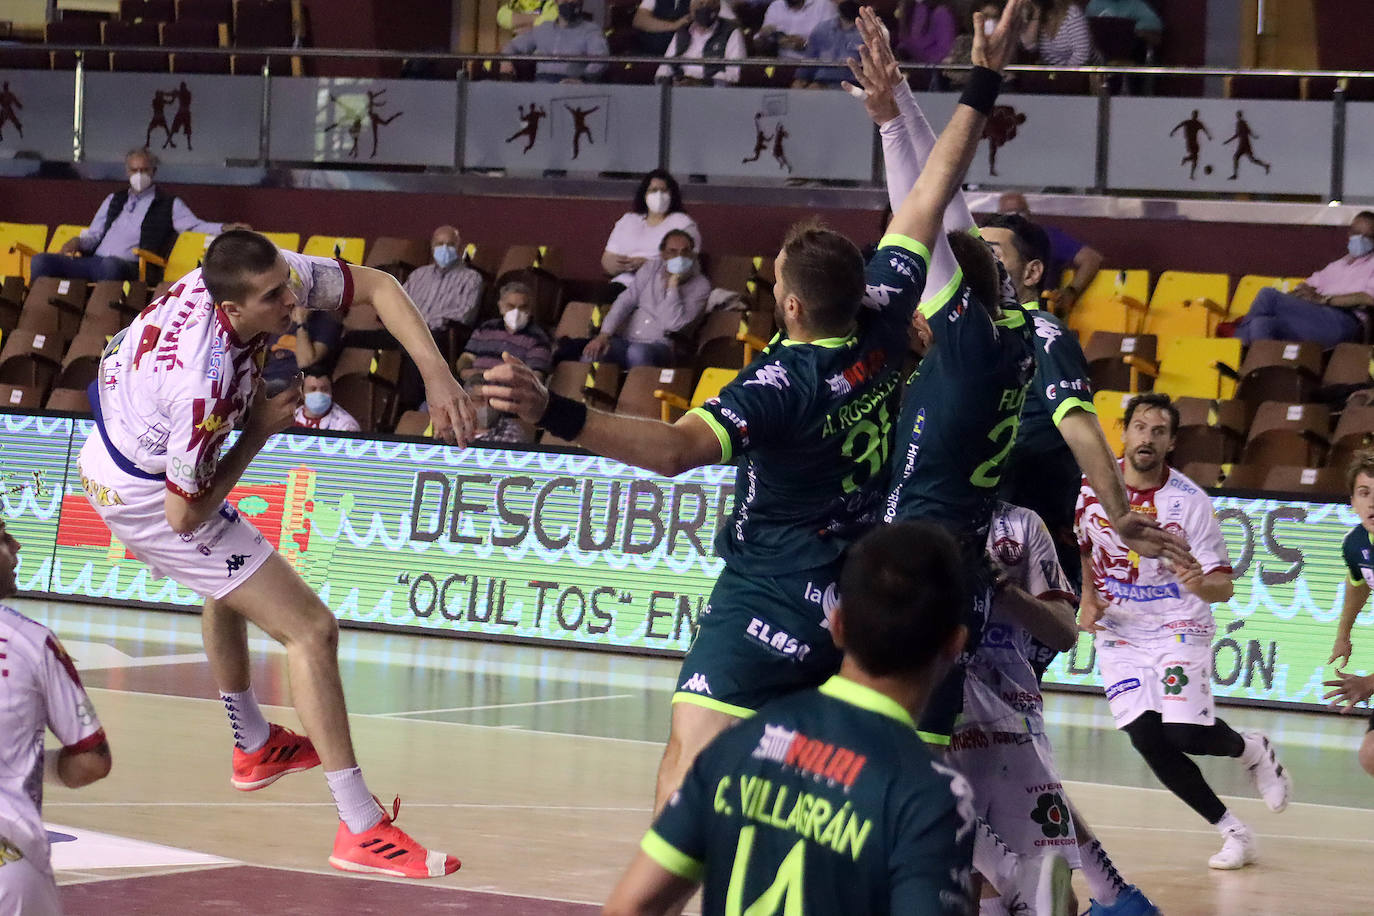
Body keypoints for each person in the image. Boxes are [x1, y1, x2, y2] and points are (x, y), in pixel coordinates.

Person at [484, 0, 1029, 826]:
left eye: (776, 279)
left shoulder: (778, 385)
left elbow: (672, 451)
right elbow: (931, 195)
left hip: (768, 590)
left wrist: (552, 414)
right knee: (849, 786)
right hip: (854, 596)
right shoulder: (886, 312)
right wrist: (976, 83)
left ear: (793, 308)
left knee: (689, 767)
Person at [77, 229, 473, 877]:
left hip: (124, 442)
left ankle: (254, 746)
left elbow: (379, 285)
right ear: (231, 310)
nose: (291, 303)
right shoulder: (202, 388)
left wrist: (437, 374)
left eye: (286, 285)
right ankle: (360, 827)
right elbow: (186, 515)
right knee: (311, 630)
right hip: (147, 493)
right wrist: (257, 432)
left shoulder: (252, 278)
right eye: (273, 298)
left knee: (227, 583)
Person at [603, 522, 989, 916]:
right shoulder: (931, 795)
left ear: (837, 625)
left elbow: (628, 907)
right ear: (955, 645)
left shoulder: (738, 745)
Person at [1076, 393, 1292, 871]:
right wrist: (1088, 597)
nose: (1147, 438)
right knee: (1146, 737)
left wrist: (1202, 584)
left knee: (1182, 731)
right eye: (1139, 427)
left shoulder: (1190, 502)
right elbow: (1085, 545)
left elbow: (1223, 586)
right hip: (1121, 632)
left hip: (1179, 624)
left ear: (1171, 442)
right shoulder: (1094, 486)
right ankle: (1233, 832)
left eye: (1158, 431)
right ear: (1124, 432)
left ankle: (1250, 749)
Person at [951, 502, 1160, 916]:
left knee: (1046, 895)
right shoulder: (900, 502)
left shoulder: (1021, 524)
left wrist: (1000, 586)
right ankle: (1110, 894)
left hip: (1000, 702)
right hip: (957, 703)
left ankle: (1094, 892)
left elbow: (1065, 631)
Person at [0, 517, 112, 916]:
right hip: (8, 864)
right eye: (2, 538)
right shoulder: (30, 641)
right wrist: (30, 764)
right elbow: (91, 762)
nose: (16, 548)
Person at [31, 148, 237, 284]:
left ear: (154, 171)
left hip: (130, 267)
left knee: (110, 265)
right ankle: (36, 319)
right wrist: (77, 241)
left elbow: (194, 226)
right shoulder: (114, 199)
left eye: (144, 170)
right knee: (42, 261)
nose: (139, 175)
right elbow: (94, 234)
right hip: (94, 261)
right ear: (127, 172)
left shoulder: (167, 203)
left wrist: (224, 228)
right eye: (134, 170)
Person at [557, 230, 709, 368]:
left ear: (692, 254)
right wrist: (604, 335)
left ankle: (637, 397)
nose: (679, 257)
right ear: (663, 254)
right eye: (673, 252)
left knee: (637, 352)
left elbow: (674, 324)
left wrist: (673, 287)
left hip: (663, 347)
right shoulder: (652, 268)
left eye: (685, 252)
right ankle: (582, 397)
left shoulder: (701, 285)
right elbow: (626, 300)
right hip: (627, 339)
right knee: (593, 351)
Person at [1235, 212, 1374, 347]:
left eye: (1367, 237)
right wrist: (1302, 292)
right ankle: (1266, 368)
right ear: (1349, 234)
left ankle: (1233, 350)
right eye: (1356, 233)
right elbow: (1308, 285)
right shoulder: (1338, 265)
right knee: (1262, 324)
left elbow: (1368, 298)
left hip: (1344, 320)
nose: (1360, 239)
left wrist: (1324, 299)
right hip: (1313, 317)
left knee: (1268, 295)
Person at [1324, 449, 1374, 779]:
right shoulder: (1355, 543)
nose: (1372, 503)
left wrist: (1371, 682)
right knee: (1371, 755)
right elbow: (1359, 582)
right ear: (1352, 501)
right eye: (1364, 493)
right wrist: (1344, 635)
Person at [456, 281, 552, 444]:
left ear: (530, 310)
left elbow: (534, 380)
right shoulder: (485, 328)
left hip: (506, 399)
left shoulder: (539, 339)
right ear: (501, 306)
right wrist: (469, 373)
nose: (516, 312)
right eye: (511, 306)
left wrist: (487, 377)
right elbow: (465, 361)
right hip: (473, 390)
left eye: (523, 307)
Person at [995, 192, 1104, 308]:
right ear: (998, 217)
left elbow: (1091, 258)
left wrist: (1071, 292)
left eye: (1020, 212)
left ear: (1029, 215)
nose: (1015, 218)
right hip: (999, 311)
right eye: (1009, 214)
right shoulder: (991, 238)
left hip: (1040, 311)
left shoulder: (1046, 236)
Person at [601, 170, 701, 291]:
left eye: (663, 191)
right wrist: (618, 265)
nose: (658, 195)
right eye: (653, 190)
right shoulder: (628, 220)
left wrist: (647, 265)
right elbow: (607, 258)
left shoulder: (682, 224)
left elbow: (686, 266)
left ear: (672, 194)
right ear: (644, 194)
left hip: (657, 288)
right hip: (621, 285)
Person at [402, 225, 486, 333]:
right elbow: (399, 302)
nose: (445, 249)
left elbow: (465, 315)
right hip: (405, 330)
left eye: (451, 245)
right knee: (375, 337)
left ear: (459, 248)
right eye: (440, 244)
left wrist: (424, 322)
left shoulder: (471, 278)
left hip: (439, 333)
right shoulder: (418, 274)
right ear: (432, 247)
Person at [501, 0, 610, 82]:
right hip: (540, 87)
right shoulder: (543, 28)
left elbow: (600, 60)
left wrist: (583, 79)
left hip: (571, 89)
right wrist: (506, 61)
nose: (568, 2)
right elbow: (513, 46)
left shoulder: (591, 31)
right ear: (556, 2)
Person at [655, 0, 747, 87]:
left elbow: (734, 76)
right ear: (691, 8)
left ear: (717, 7)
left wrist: (701, 83)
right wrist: (669, 81)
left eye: (707, 5)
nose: (703, 9)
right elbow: (664, 69)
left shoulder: (730, 32)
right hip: (678, 92)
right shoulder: (682, 32)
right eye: (699, 4)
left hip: (712, 95)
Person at [793, 0, 864, 88]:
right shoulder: (822, 28)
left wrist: (827, 86)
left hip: (853, 87)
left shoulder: (870, 32)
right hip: (819, 84)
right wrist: (800, 80)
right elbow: (809, 61)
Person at [634, 0, 736, 54]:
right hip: (651, 53)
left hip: (685, 55)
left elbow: (732, 25)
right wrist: (673, 26)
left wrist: (702, 18)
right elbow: (639, 20)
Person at [1021, 0, 1097, 66]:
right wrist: (1037, 13)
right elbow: (1030, 46)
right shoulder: (1036, 15)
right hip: (1052, 76)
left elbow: (1082, 55)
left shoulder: (1073, 13)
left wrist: (1061, 75)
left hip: (1085, 74)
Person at [756, 0, 835, 59]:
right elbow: (758, 43)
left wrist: (805, 45)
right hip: (782, 64)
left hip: (814, 65)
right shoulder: (776, 6)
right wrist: (763, 37)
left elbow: (833, 44)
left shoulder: (824, 5)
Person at [292, 368, 361, 432]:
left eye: (324, 389)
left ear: (331, 392)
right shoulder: (289, 419)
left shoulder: (346, 425)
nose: (318, 394)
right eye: (312, 389)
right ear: (301, 392)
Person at [893, 0, 958, 66]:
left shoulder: (942, 13)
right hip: (910, 65)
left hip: (931, 69)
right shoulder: (908, 9)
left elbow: (944, 52)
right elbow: (904, 42)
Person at [1084, 0, 1161, 49]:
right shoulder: (1094, 4)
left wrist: (1131, 29)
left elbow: (1156, 29)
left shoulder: (1136, 4)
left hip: (1129, 57)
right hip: (1100, 56)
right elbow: (1085, 32)